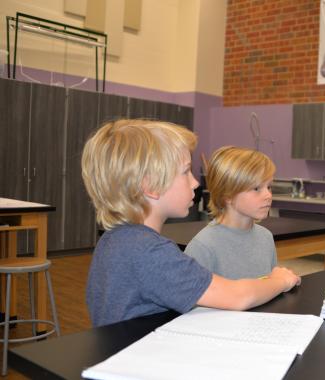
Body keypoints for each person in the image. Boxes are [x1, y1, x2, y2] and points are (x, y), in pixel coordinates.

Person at [81, 119, 300, 327]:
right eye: (186, 172)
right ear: (150, 186)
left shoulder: (116, 239)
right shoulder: (148, 251)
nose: (195, 182)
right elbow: (238, 297)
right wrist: (280, 280)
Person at [184, 146, 277, 279]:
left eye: (269, 187)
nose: (268, 195)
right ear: (227, 195)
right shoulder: (203, 247)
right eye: (256, 188)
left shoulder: (266, 237)